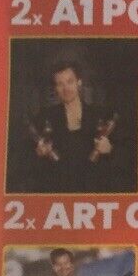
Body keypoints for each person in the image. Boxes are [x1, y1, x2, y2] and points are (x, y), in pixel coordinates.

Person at [29, 59, 117, 192]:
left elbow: (125, 155)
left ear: (79, 82)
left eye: (70, 82)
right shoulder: (45, 117)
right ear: (55, 88)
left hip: (93, 190)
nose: (66, 89)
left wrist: (109, 149)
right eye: (60, 84)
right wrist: (38, 152)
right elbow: (26, 158)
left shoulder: (100, 115)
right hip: (58, 189)